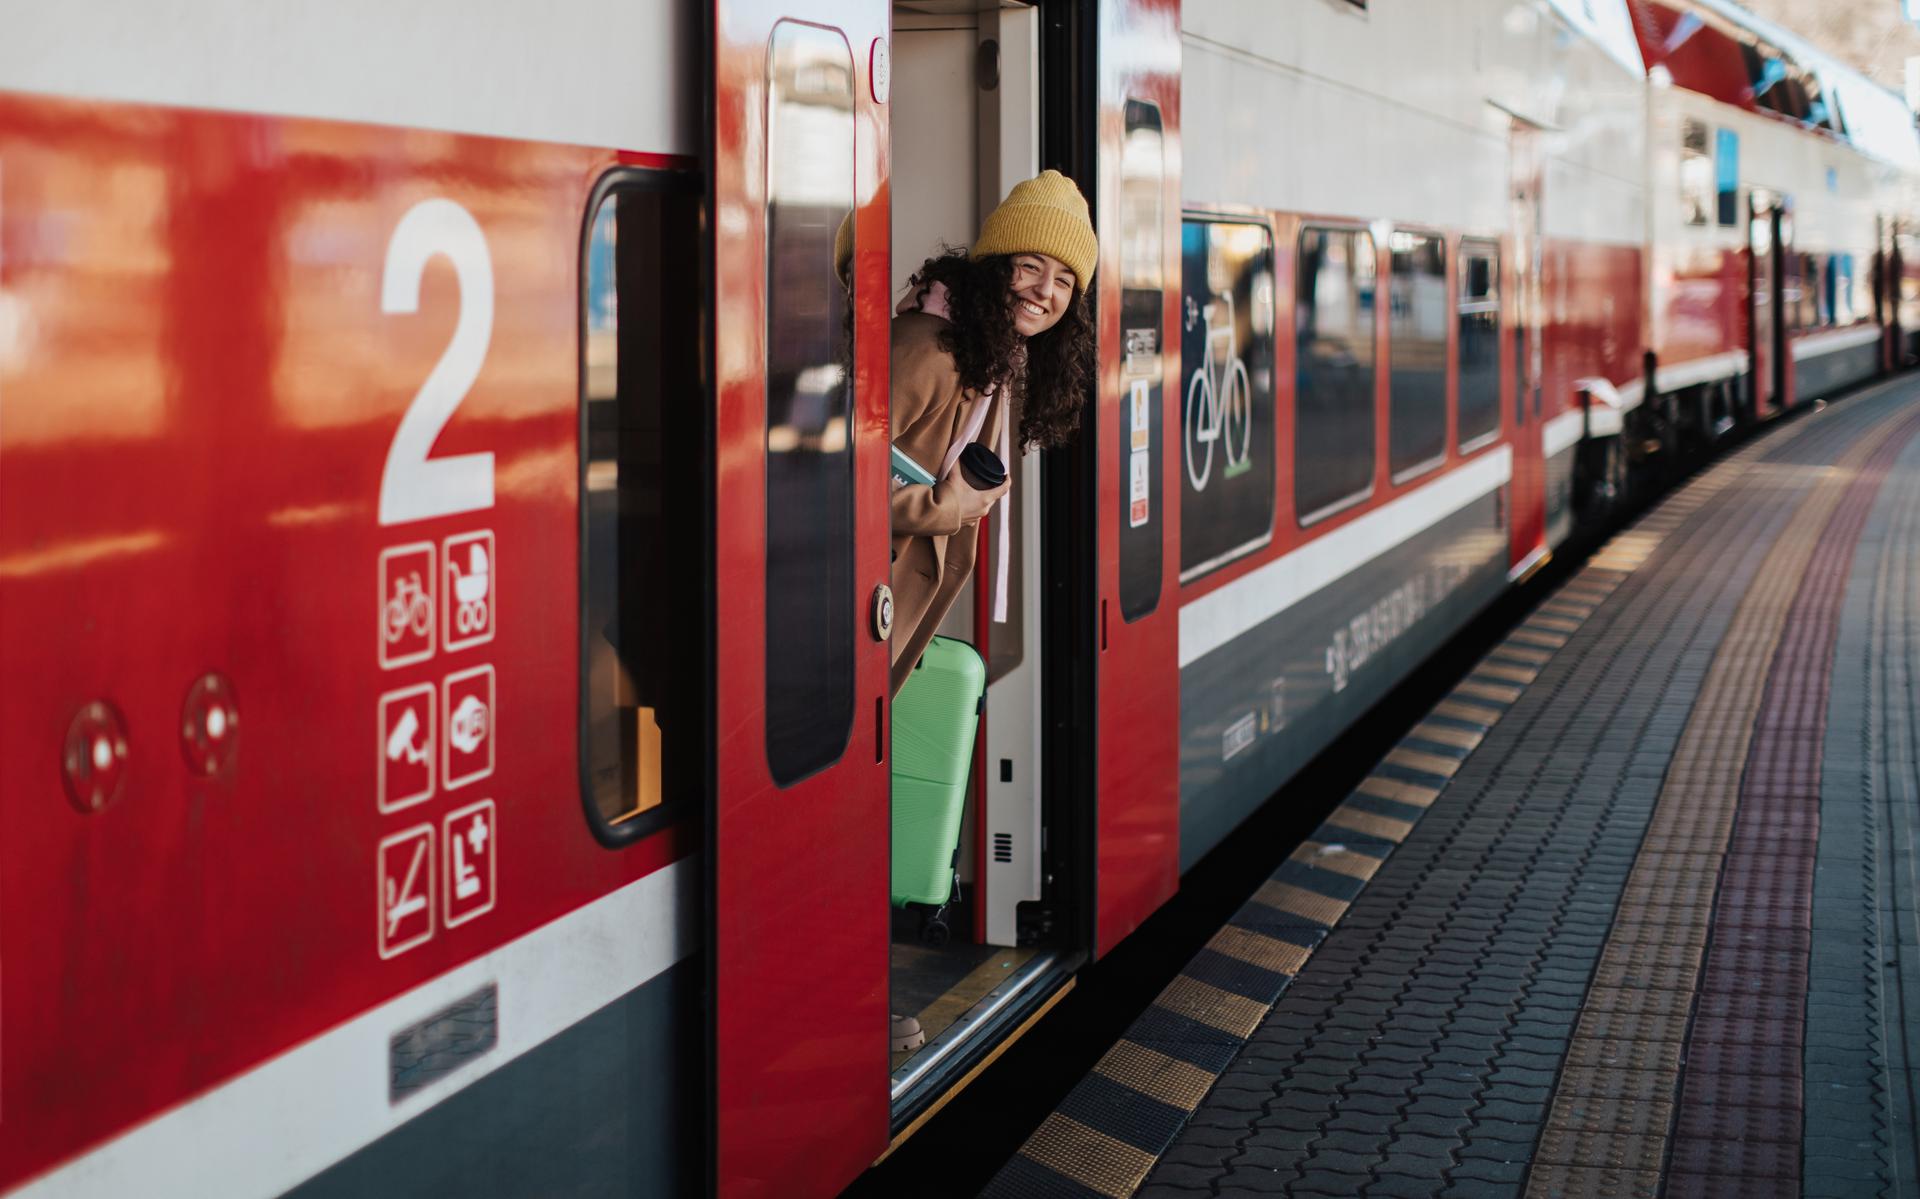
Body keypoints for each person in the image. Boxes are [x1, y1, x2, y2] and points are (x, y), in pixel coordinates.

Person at [887, 170, 1099, 699]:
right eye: (1030, 266)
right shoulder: (928, 353)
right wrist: (946, 507)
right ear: (994, 268)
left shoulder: (992, 358)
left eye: (1065, 281)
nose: (1045, 292)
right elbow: (831, 475)